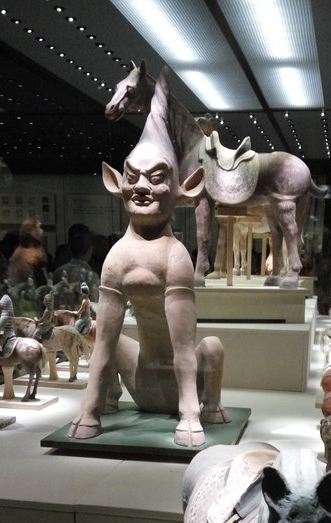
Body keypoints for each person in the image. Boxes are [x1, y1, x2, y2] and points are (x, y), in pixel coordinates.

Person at [69, 68, 228, 447]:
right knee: (103, 335)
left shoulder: (175, 256)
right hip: (140, 382)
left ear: (182, 191)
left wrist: (189, 414)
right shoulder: (118, 257)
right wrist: (88, 408)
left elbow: (185, 348)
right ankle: (102, 402)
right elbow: (105, 344)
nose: (141, 187)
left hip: (180, 388)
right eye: (132, 177)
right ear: (117, 184)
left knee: (209, 346)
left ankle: (199, 409)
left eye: (156, 178)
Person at [8, 217, 49, 286]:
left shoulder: (35, 248)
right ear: (31, 230)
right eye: (38, 227)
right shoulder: (24, 254)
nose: (41, 231)